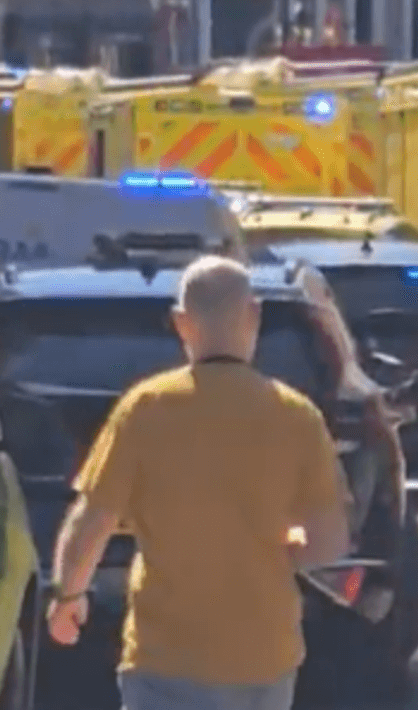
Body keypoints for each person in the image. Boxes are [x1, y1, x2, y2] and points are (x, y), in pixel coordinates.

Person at [45, 255, 352, 710]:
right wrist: (274, 551)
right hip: (263, 658)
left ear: (180, 323)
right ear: (255, 315)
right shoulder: (295, 416)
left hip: (165, 658)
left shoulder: (146, 408)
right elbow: (329, 542)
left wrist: (68, 596)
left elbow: (92, 517)